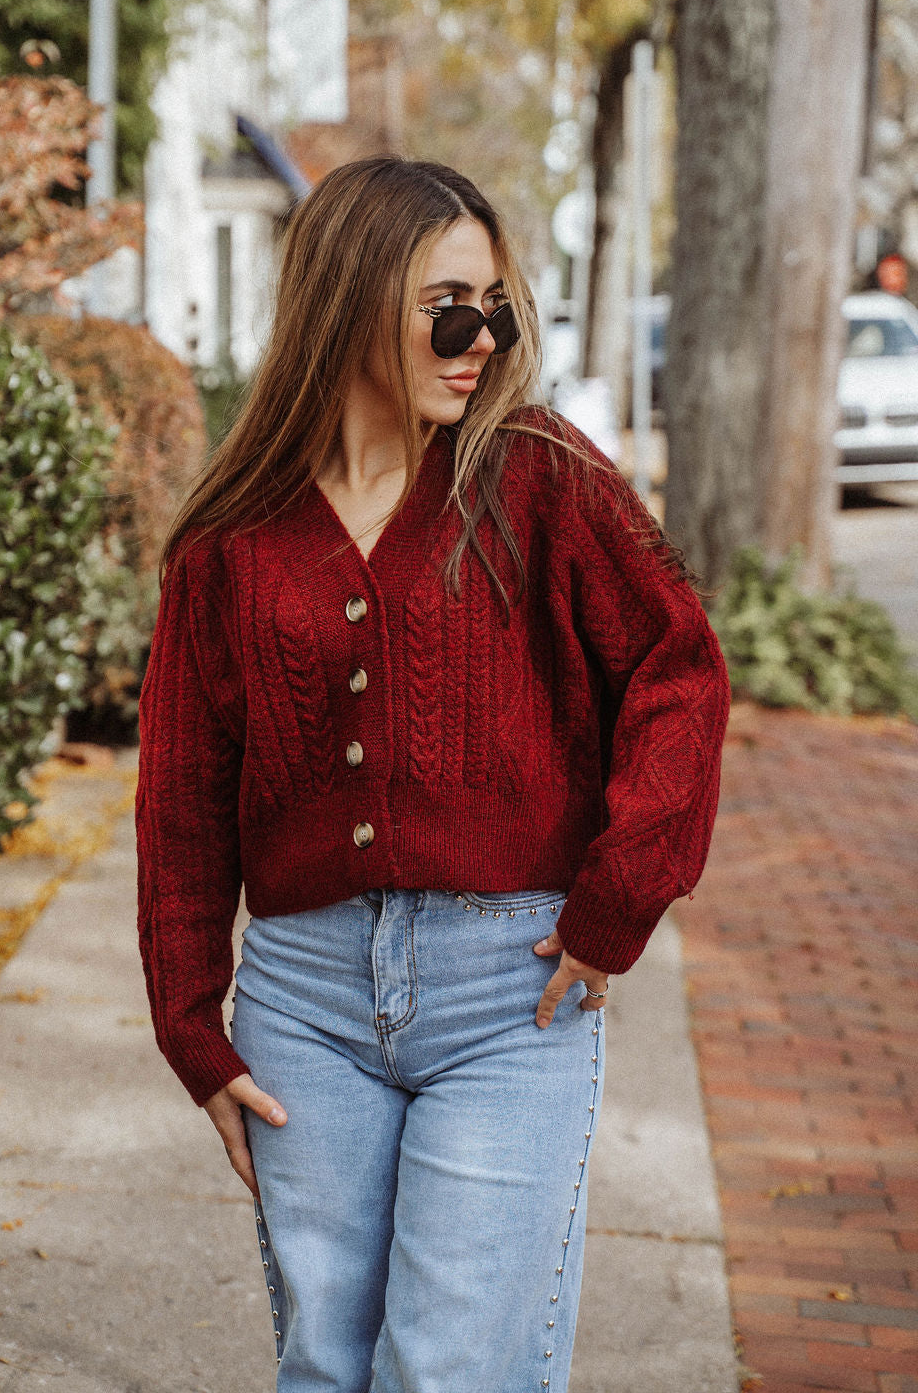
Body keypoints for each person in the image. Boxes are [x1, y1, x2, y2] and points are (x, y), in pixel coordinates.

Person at [136, 156, 731, 1393]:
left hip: (506, 999)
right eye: (448, 308)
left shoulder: (538, 477)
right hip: (301, 1009)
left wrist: (615, 903)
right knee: (326, 1364)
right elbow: (184, 795)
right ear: (349, 300)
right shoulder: (231, 544)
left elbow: (678, 672)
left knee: (450, 1369)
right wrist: (191, 1022)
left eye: (496, 309)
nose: (481, 340)